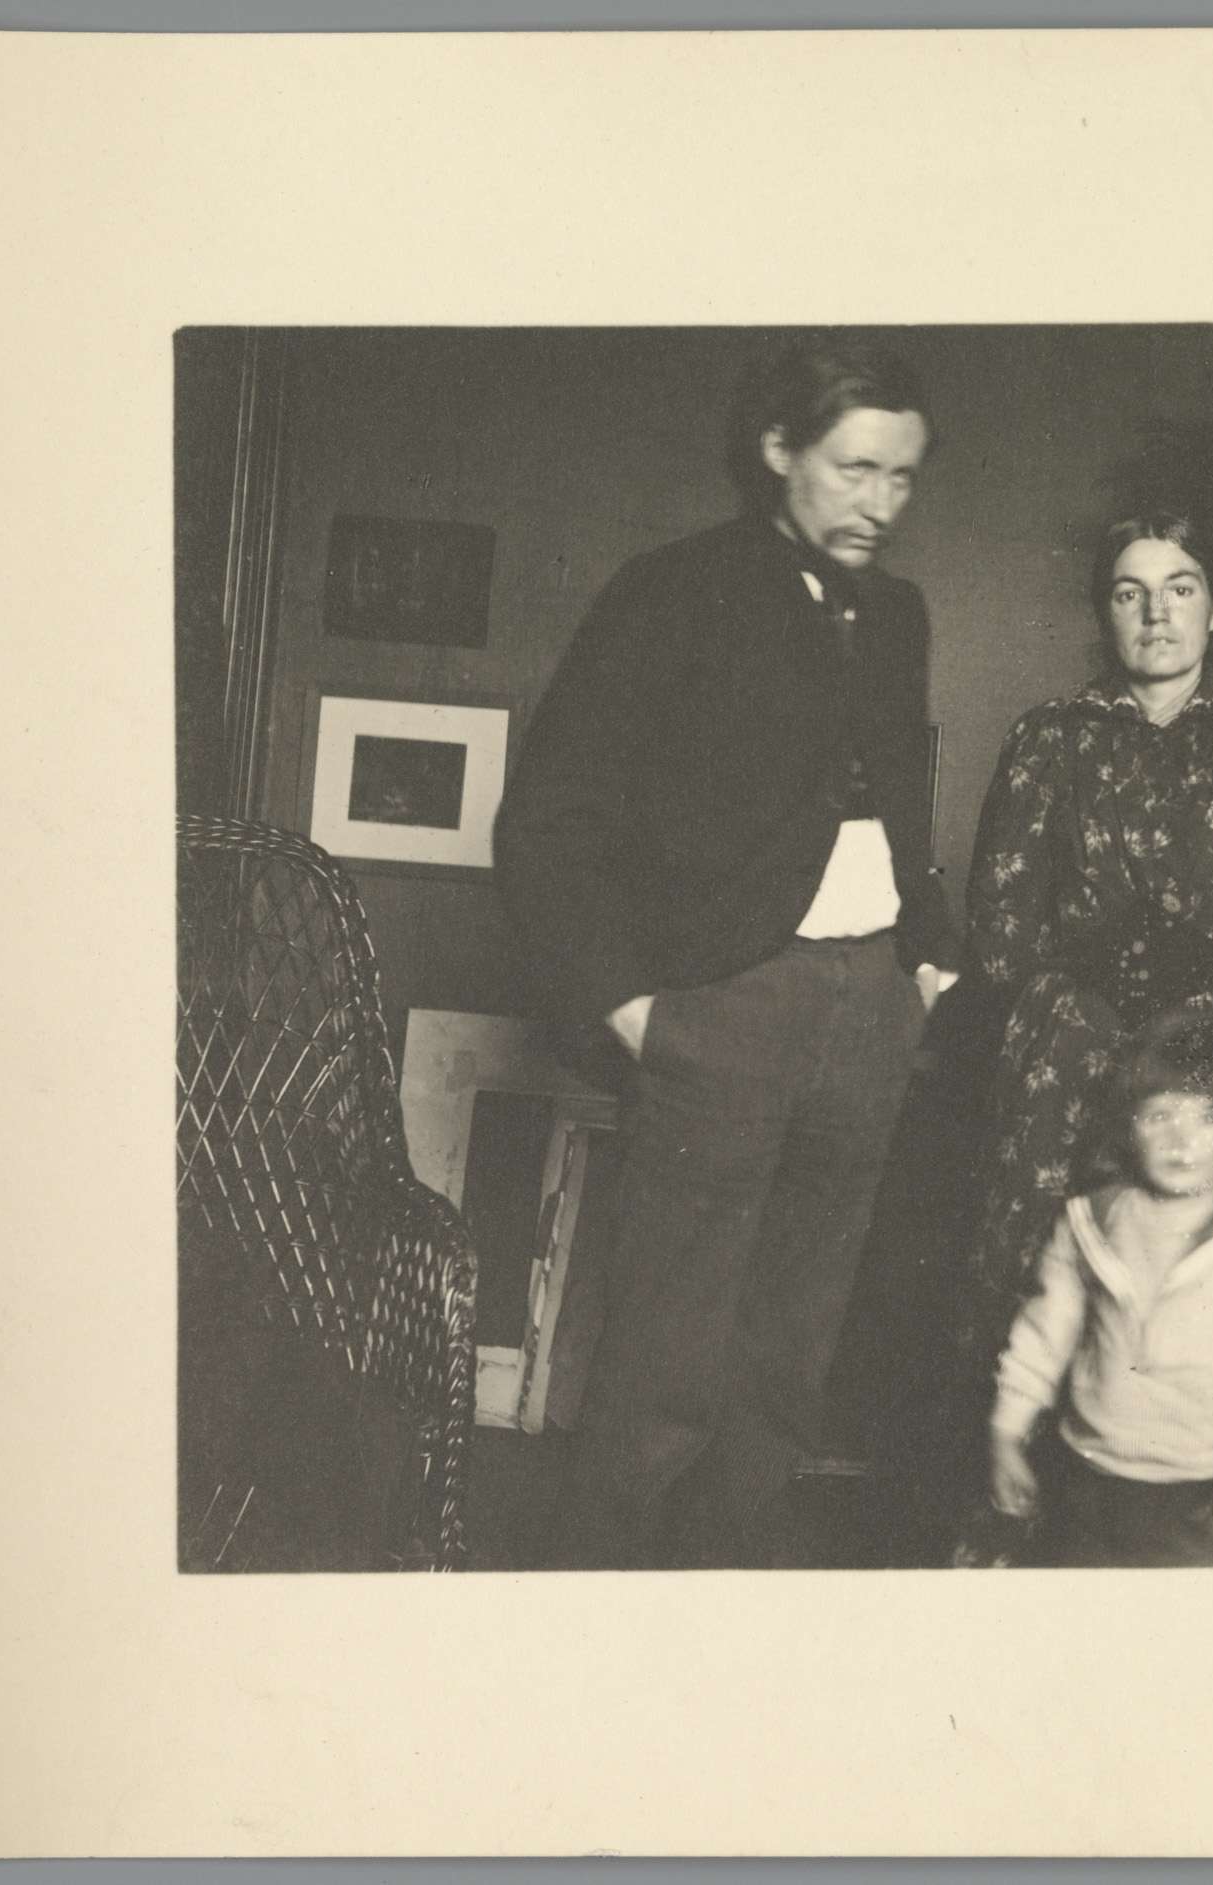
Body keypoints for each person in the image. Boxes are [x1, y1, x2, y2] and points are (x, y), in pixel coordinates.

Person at [494, 337, 955, 1569]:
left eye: (902, 476)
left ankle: (726, 1617)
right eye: (854, 468)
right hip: (723, 1007)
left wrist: (925, 963)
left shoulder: (897, 613)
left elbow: (893, 800)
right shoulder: (671, 591)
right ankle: (593, 1616)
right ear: (777, 451)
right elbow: (547, 823)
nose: (880, 503)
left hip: (870, 1008)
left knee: (787, 1363)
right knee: (664, 1366)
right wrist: (632, 1009)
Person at [965, 511, 1213, 1349]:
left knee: (1205, 1306)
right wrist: (1083, 988)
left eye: (1179, 589)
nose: (1156, 614)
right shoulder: (1049, 738)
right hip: (1072, 1044)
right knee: (1042, 1303)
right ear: (1105, 611)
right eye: (1129, 593)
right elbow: (999, 930)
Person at [987, 1017, 1213, 1566]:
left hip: (1204, 1485)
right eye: (1160, 1115)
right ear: (1129, 1125)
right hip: (1087, 1471)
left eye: (1209, 1117)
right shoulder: (1089, 1220)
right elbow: (1042, 1337)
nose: (1181, 1140)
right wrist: (1006, 1433)